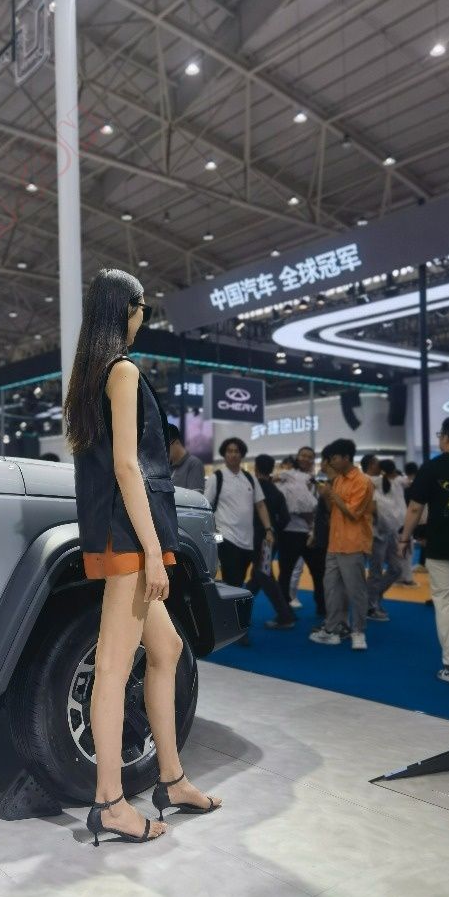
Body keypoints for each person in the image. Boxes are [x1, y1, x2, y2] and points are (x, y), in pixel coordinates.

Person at [64, 268, 221, 847]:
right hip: (129, 537)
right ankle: (110, 803)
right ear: (126, 310)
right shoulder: (122, 370)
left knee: (167, 648)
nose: (143, 319)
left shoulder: (89, 376)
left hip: (114, 533)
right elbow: (128, 467)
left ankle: (171, 779)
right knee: (112, 667)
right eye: (142, 309)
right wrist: (154, 551)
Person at [399, 415, 449, 685]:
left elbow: (415, 508)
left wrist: (405, 539)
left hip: (442, 547)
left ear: (447, 437)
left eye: (440, 435)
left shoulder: (432, 467)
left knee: (446, 604)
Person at [309, 438, 374, 650]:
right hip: (334, 543)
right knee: (332, 589)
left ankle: (359, 632)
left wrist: (331, 493)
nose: (331, 462)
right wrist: (326, 495)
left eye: (334, 458)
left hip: (353, 544)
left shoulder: (362, 481)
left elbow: (353, 513)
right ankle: (334, 628)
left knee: (356, 591)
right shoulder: (337, 480)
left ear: (346, 457)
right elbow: (332, 510)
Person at [204, 436, 274, 587]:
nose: (233, 454)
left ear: (242, 455)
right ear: (224, 454)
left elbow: (261, 505)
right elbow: (206, 506)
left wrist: (268, 529)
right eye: (229, 451)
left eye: (236, 451)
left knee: (239, 581)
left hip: (248, 541)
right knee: (232, 580)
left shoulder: (250, 478)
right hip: (225, 537)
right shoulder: (216, 478)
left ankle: (234, 601)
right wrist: (213, 535)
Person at [276, 446, 326, 619]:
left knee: (319, 573)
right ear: (297, 457)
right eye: (303, 455)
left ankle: (322, 608)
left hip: (312, 533)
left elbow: (322, 502)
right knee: (286, 573)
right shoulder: (287, 475)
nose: (306, 459)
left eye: (310, 457)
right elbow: (279, 496)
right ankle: (284, 611)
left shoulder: (318, 479)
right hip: (290, 532)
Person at [250, 454, 297, 630]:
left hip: (253, 539)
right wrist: (274, 529)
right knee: (258, 575)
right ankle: (238, 608)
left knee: (263, 575)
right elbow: (285, 518)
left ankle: (285, 616)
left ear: (256, 468)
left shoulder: (252, 489)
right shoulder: (276, 491)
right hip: (270, 540)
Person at [366, 459, 406, 621]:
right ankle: (370, 607)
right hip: (375, 533)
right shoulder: (366, 481)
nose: (379, 464)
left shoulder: (390, 482)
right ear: (370, 465)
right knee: (375, 572)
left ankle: (372, 596)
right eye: (376, 462)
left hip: (391, 531)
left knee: (397, 568)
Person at [168, 423, 205, 493]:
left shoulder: (194, 464)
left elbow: (196, 495)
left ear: (177, 442)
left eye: (165, 447)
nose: (163, 452)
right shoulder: (167, 466)